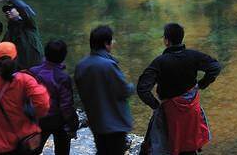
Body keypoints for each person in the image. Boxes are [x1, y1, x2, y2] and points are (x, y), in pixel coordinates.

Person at [136, 23, 222, 155]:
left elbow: (142, 89)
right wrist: (202, 84)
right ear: (181, 38)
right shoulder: (193, 56)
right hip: (191, 108)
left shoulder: (160, 62)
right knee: (190, 144)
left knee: (164, 145)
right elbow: (215, 67)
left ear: (166, 41)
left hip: (170, 112)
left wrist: (156, 105)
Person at [75, 25, 135, 155]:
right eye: (111, 41)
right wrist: (132, 87)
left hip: (96, 121)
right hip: (115, 123)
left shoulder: (81, 65)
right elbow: (123, 90)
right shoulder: (108, 65)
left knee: (102, 150)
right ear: (106, 44)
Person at [29, 39, 79, 155]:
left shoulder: (33, 71)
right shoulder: (62, 77)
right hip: (58, 120)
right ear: (63, 56)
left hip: (37, 119)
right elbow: (66, 106)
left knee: (33, 151)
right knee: (62, 150)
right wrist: (73, 125)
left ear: (45, 53)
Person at [0, 0, 43, 71]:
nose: (7, 12)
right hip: (18, 73)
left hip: (36, 70)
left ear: (19, 11)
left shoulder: (29, 25)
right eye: (6, 11)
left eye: (10, 9)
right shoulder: (9, 33)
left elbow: (25, 9)